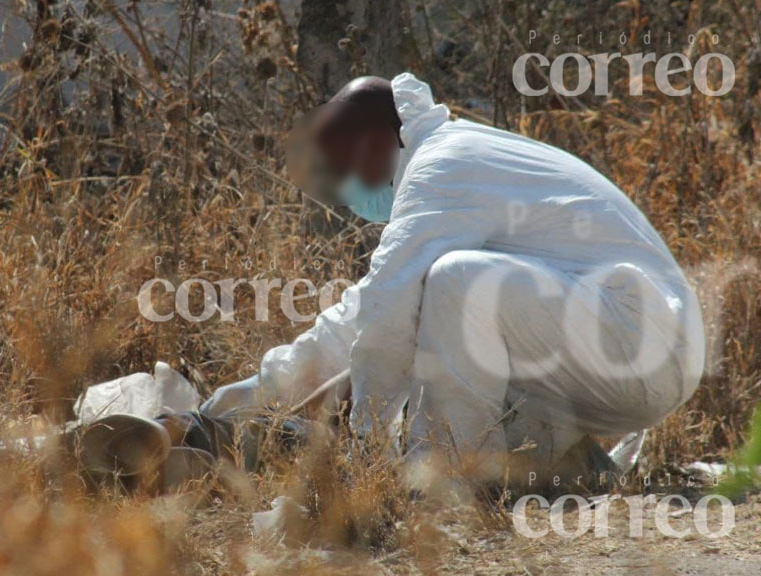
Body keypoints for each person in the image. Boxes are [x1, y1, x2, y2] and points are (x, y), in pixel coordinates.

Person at [200, 73, 705, 482]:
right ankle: (557, 470)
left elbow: (384, 315)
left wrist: (365, 449)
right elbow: (358, 315)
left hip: (643, 343)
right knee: (443, 320)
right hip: (637, 350)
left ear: (380, 142)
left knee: (456, 283)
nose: (347, 188)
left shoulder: (442, 166)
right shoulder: (451, 159)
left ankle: (446, 481)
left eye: (344, 167)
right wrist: (241, 404)